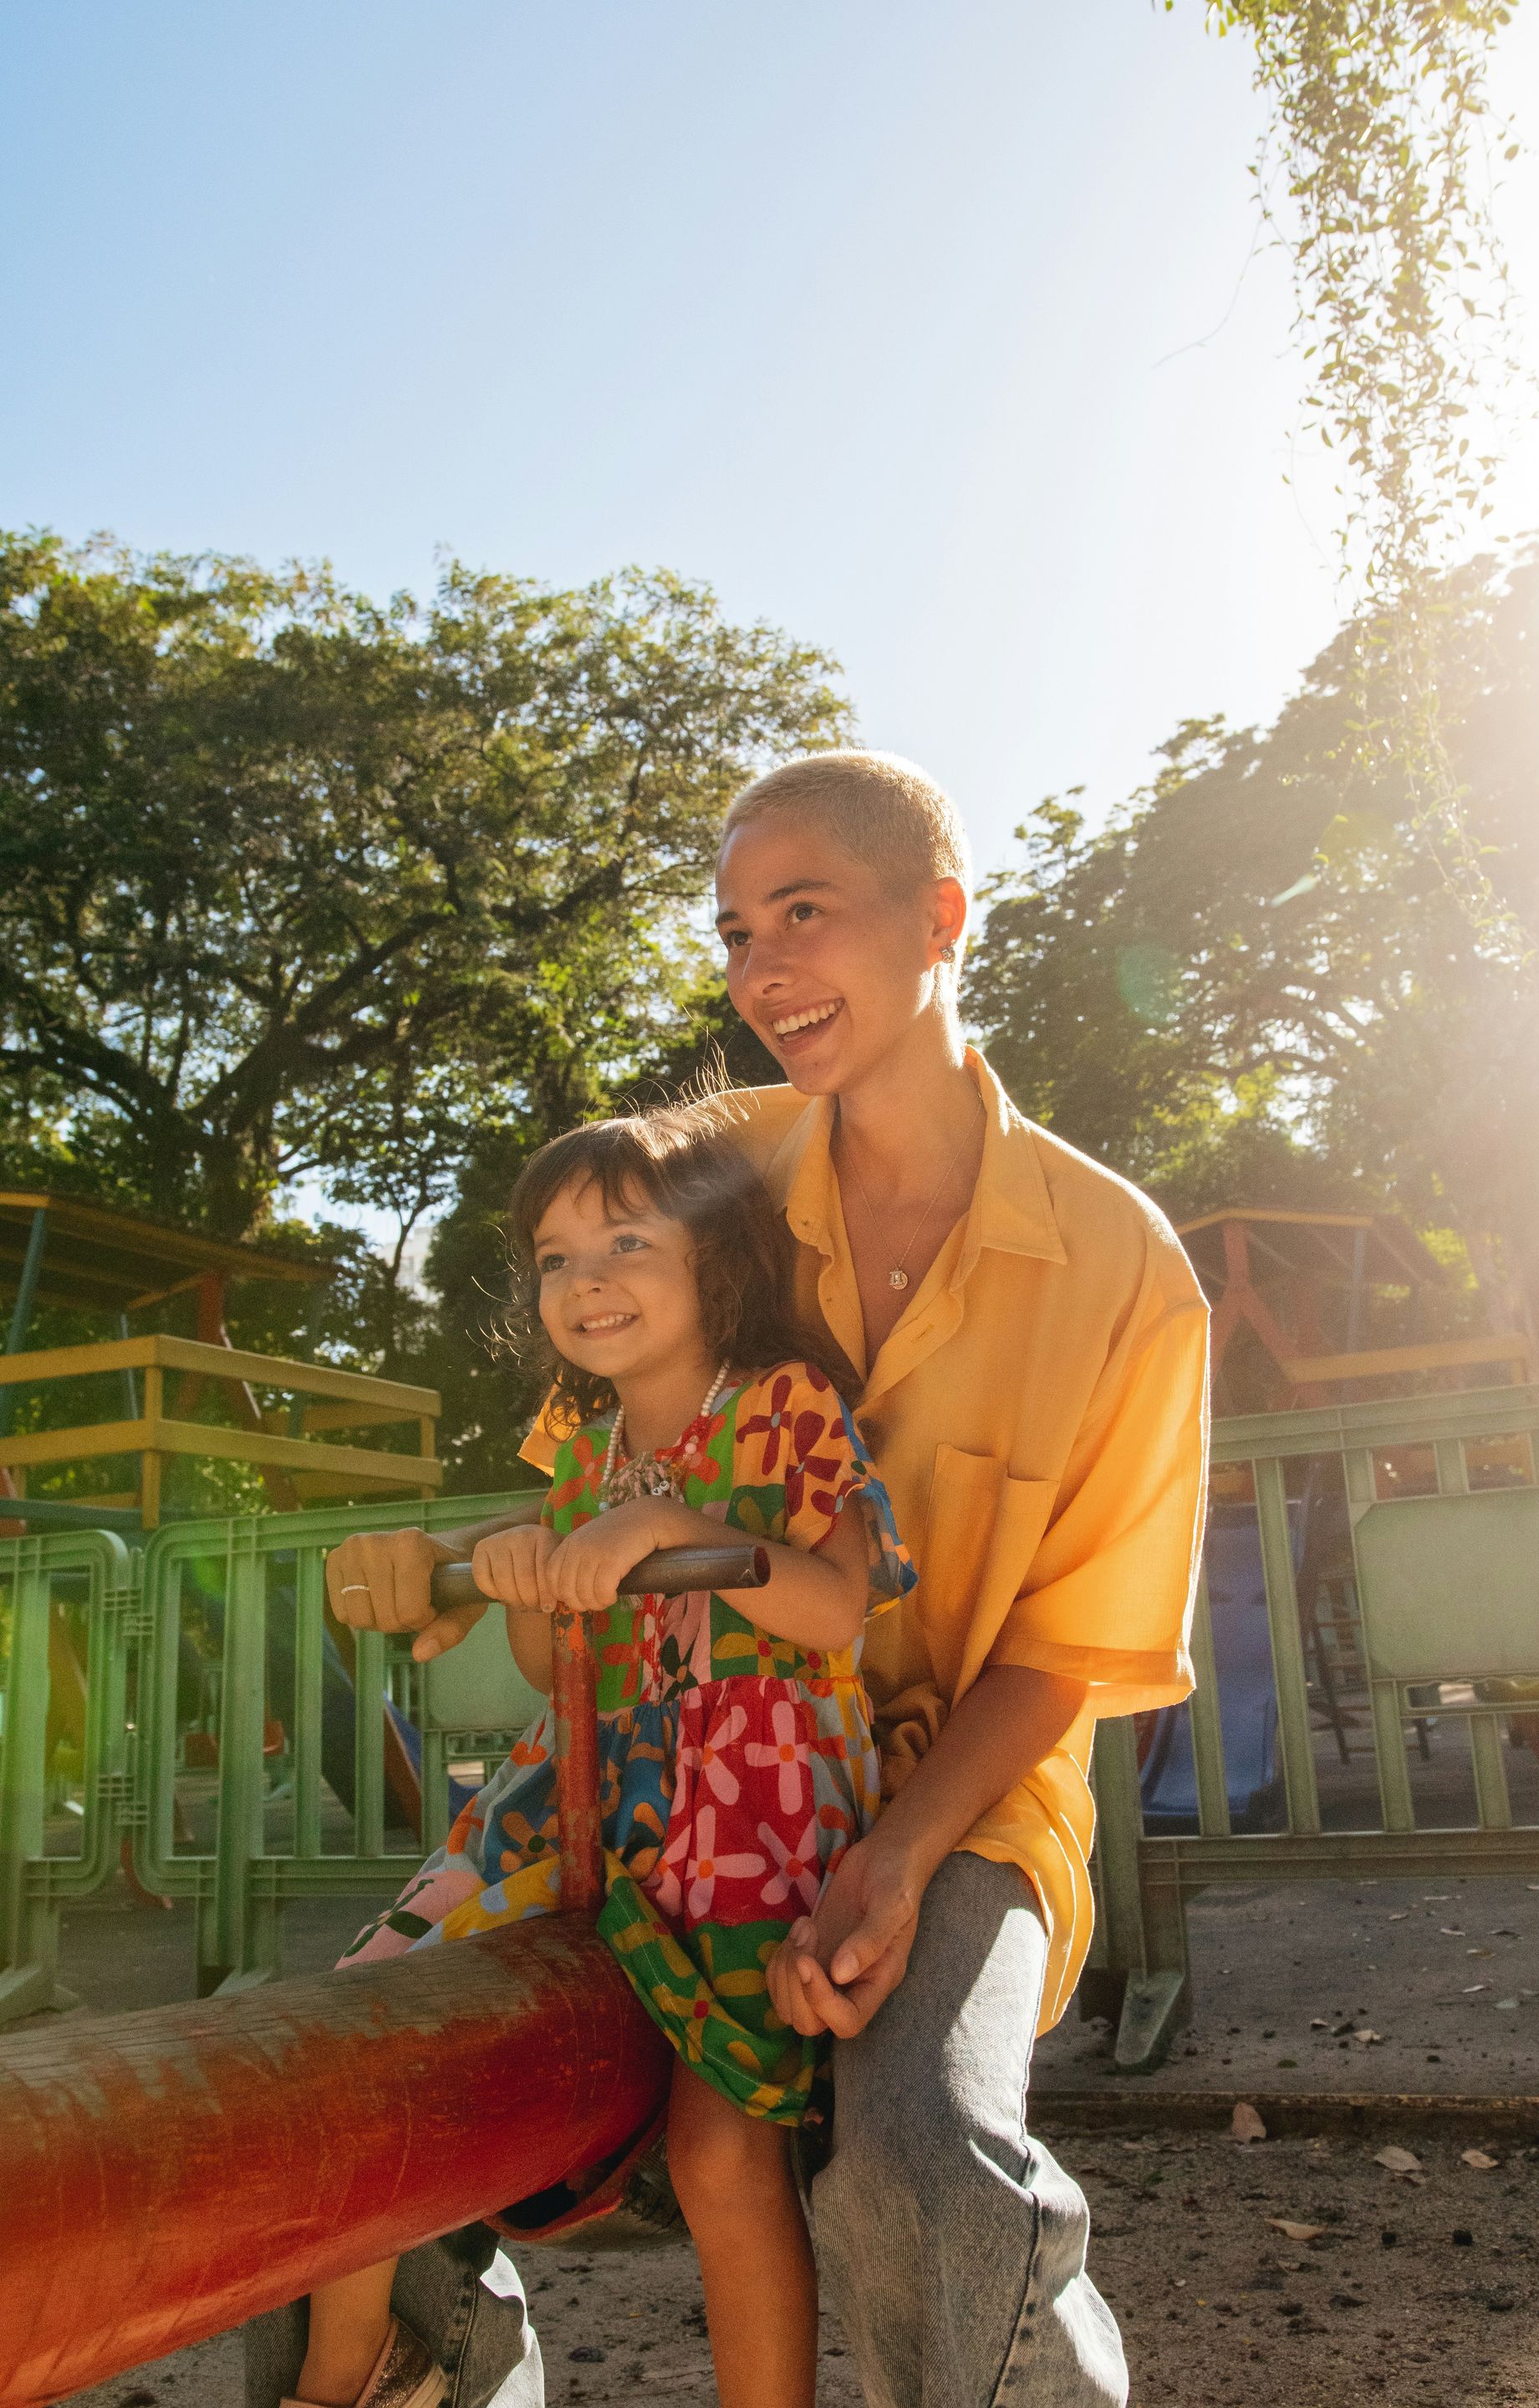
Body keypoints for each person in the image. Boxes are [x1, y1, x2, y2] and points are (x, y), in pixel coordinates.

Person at [247, 747, 1209, 2408]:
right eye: (733, 929)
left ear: (940, 920)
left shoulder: (1131, 1276)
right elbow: (596, 1358)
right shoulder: (720, 1170)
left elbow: (1061, 1659)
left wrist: (898, 1861)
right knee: (353, 2072)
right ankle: (413, 2373)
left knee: (916, 2154)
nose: (762, 970)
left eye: (806, 915)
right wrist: (458, 1569)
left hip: (955, 1795)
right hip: (665, 1762)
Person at [280, 1106, 913, 2408]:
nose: (586, 1279)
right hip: (581, 1789)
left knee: (718, 2149)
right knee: (369, 2028)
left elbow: (838, 1610)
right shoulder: (579, 1453)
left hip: (749, 1794)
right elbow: (552, 1670)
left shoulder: (786, 1406)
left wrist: (669, 1522)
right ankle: (350, 2376)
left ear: (715, 1258)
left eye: (625, 1239)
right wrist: (525, 1577)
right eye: (556, 1256)